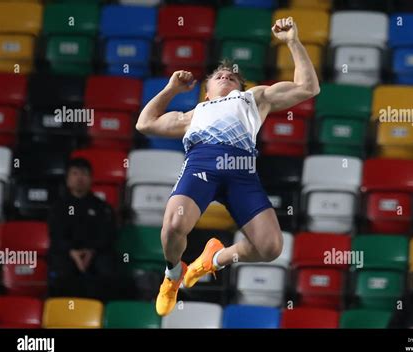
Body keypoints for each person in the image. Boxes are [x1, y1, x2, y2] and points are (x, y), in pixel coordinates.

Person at [136, 17, 320, 316]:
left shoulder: (253, 98)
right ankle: (172, 275)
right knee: (172, 227)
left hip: (241, 172)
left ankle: (215, 258)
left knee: (271, 248)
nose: (226, 76)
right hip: (201, 166)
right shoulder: (192, 114)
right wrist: (171, 89)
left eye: (232, 76)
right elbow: (145, 123)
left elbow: (308, 87)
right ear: (206, 90)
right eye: (218, 75)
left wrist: (292, 42)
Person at [47, 158, 122, 302]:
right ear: (68, 180)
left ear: (91, 179)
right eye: (75, 174)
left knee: (107, 269)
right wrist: (73, 252)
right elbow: (56, 235)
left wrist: (91, 250)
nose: (79, 178)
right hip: (67, 254)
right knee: (62, 270)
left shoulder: (102, 207)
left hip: (96, 253)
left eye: (84, 174)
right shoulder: (58, 207)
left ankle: (101, 313)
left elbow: (108, 234)